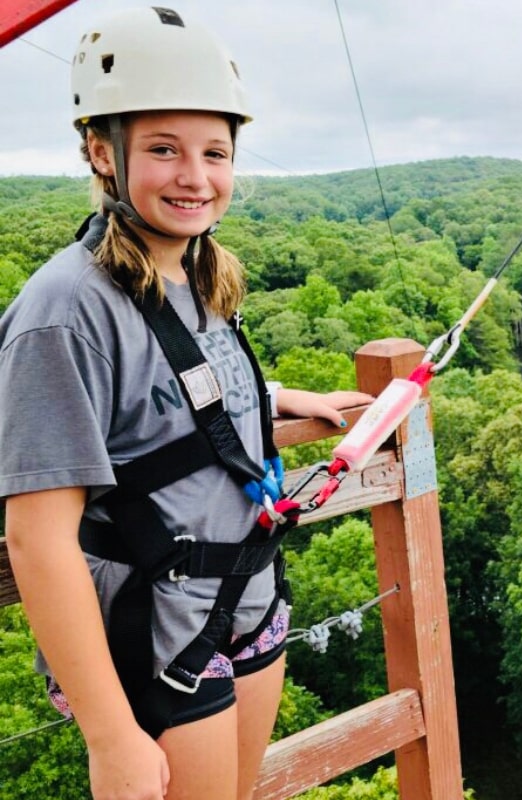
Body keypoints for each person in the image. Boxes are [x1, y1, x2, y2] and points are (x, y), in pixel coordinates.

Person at [0, 8, 372, 799]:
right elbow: (37, 538)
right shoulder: (65, 311)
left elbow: (171, 401)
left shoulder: (200, 276)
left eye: (215, 152)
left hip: (244, 596)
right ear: (103, 151)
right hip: (159, 629)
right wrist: (111, 736)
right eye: (163, 149)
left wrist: (275, 397)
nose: (194, 177)